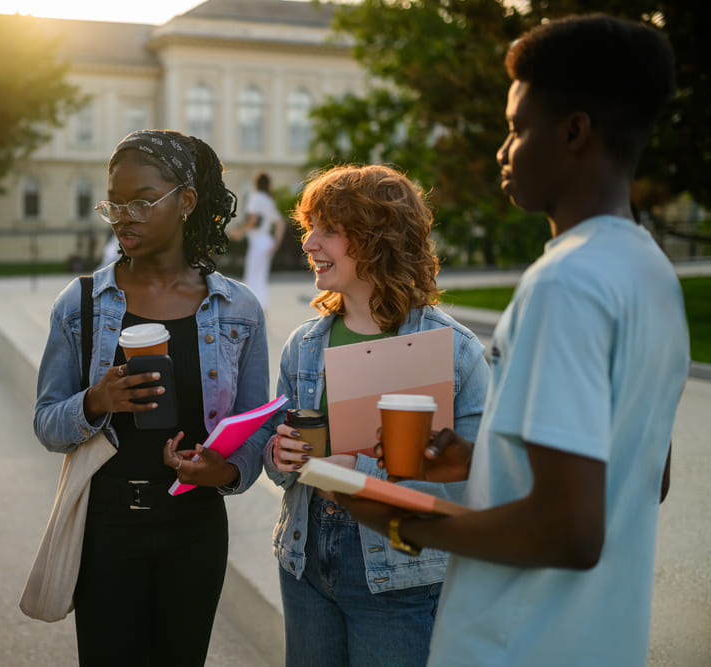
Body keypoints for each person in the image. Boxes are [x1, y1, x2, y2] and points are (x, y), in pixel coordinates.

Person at [337, 15, 689, 667]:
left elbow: (570, 530)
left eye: (517, 128)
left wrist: (400, 518)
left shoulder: (566, 283)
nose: (503, 150)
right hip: (603, 641)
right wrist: (482, 459)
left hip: (514, 646)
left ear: (575, 132)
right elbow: (644, 473)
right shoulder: (650, 273)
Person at [33, 129, 270, 666]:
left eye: (141, 201)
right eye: (115, 203)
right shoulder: (82, 305)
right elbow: (47, 423)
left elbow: (255, 428)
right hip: (107, 527)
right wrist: (95, 401)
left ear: (186, 201)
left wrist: (225, 472)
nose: (124, 216)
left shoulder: (238, 310)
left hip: (195, 529)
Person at [251, 164, 490, 666]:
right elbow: (278, 459)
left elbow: (468, 486)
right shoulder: (304, 344)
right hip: (304, 559)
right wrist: (278, 453)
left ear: (379, 238)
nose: (310, 242)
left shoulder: (455, 353)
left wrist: (357, 476)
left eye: (330, 230)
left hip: (400, 575)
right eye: (309, 227)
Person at [228, 171, 285, 311]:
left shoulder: (256, 197)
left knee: (252, 277)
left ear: (256, 183)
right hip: (266, 241)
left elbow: (252, 220)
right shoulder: (269, 200)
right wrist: (276, 243)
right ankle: (262, 310)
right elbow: (280, 223)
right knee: (260, 278)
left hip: (258, 242)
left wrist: (239, 232)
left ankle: (252, 311)